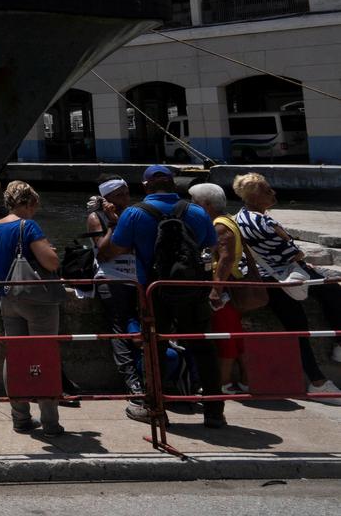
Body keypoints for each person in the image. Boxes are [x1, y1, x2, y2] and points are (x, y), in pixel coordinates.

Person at [100, 164, 226, 427]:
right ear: (174, 184)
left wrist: (114, 224)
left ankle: (155, 410)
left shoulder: (134, 213)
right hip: (193, 290)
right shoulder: (197, 212)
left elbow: (115, 250)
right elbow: (212, 246)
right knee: (203, 348)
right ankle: (214, 412)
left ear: (146, 186)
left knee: (153, 349)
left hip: (153, 291)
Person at [231, 172, 341, 395]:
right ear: (254, 197)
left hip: (265, 277)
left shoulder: (239, 217)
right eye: (266, 190)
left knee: (299, 323)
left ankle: (319, 378)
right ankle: (321, 376)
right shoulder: (263, 221)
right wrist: (295, 251)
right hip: (278, 278)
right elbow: (292, 253)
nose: (273, 193)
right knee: (326, 295)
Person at [0, 181, 63, 437]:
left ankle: (20, 417)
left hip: (7, 298)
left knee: (15, 355)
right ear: (29, 203)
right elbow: (51, 263)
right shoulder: (27, 225)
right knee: (44, 355)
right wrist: (51, 250)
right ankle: (50, 422)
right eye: (35, 205)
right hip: (36, 300)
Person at [83, 177, 147, 412]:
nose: (125, 199)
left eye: (127, 193)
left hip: (136, 277)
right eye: (119, 195)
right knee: (118, 329)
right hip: (111, 278)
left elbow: (135, 245)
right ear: (106, 199)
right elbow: (105, 253)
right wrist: (113, 224)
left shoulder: (131, 216)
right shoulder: (96, 218)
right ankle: (132, 382)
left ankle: (149, 375)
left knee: (140, 326)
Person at [190, 182, 254, 395]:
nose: (193, 206)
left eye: (195, 202)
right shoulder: (227, 221)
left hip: (225, 289)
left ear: (206, 204)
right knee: (234, 335)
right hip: (230, 286)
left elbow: (225, 259)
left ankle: (224, 383)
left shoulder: (219, 225)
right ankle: (245, 379)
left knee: (224, 336)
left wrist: (216, 290)